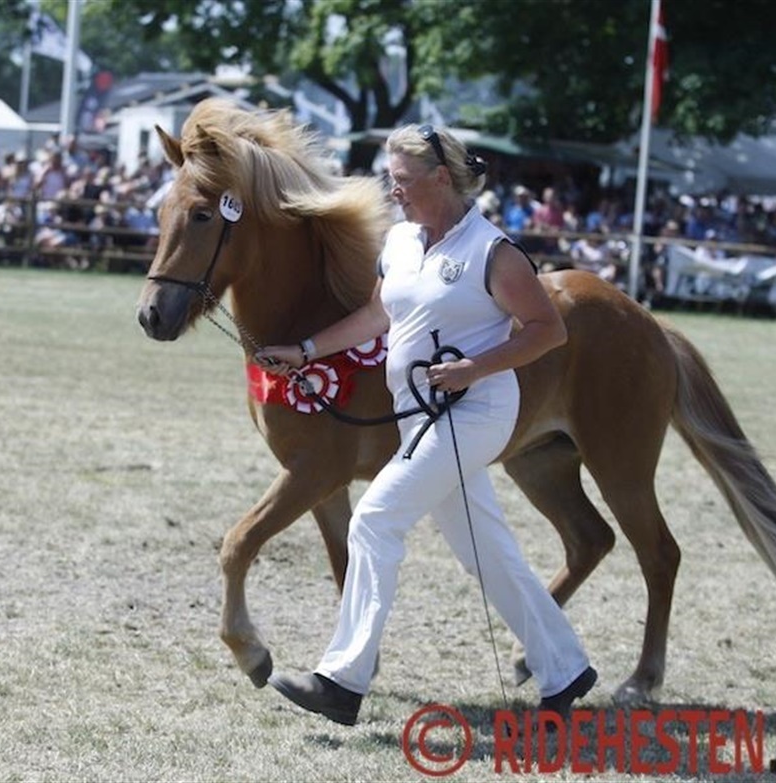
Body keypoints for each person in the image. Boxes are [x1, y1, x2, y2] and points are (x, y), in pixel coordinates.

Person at [254, 124, 596, 727]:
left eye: (404, 180)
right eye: (391, 178)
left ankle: (342, 680)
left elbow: (550, 330)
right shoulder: (401, 241)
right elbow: (376, 315)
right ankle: (566, 669)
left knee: (374, 519)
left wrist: (475, 368)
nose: (394, 189)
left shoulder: (492, 252)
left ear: (441, 178)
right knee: (486, 551)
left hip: (477, 412)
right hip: (419, 414)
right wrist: (304, 351)